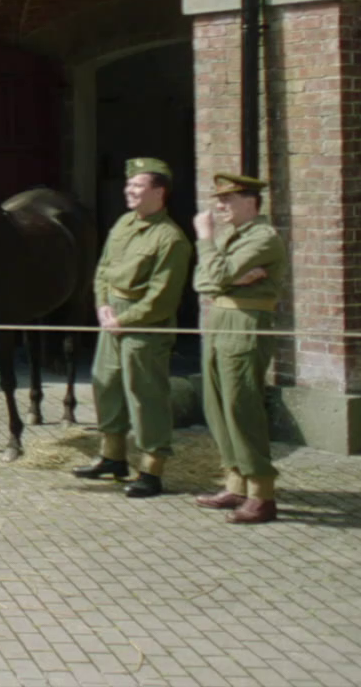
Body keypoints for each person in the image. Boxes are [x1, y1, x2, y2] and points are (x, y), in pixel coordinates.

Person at [75, 157, 194, 498]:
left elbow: (162, 298)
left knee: (145, 397)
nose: (129, 191)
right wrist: (102, 306)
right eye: (128, 185)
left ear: (159, 192)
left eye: (138, 186)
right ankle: (112, 457)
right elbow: (103, 269)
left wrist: (123, 320)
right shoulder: (123, 224)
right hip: (111, 319)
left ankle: (151, 470)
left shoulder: (171, 239)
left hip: (144, 328)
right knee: (106, 385)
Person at [192, 173, 288, 524]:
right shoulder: (231, 237)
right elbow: (202, 281)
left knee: (242, 406)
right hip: (220, 321)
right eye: (219, 200)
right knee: (217, 405)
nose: (220, 206)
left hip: (245, 323)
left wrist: (205, 240)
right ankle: (236, 483)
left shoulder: (263, 237)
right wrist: (231, 276)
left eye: (227, 199)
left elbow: (215, 276)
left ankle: (262, 494)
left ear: (250, 201)